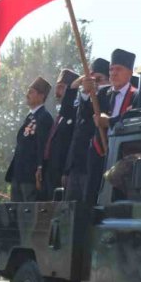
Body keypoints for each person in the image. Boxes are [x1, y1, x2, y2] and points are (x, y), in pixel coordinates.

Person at [81, 48, 141, 205]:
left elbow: (132, 119)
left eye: (118, 69)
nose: (113, 73)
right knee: (91, 197)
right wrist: (86, 93)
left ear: (129, 72)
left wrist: (109, 122)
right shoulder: (102, 94)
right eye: (111, 69)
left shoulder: (137, 96)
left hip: (121, 156)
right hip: (98, 153)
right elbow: (84, 115)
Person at [63, 58, 109, 201]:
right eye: (91, 79)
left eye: (99, 79)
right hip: (75, 164)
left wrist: (90, 93)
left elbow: (94, 113)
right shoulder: (83, 99)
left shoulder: (109, 96)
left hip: (92, 165)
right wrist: (77, 88)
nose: (94, 83)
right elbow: (66, 110)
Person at [5, 77, 54, 202]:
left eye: (31, 92)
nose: (27, 95)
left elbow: (42, 146)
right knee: (15, 213)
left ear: (41, 96)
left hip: (31, 176)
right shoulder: (30, 117)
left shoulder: (44, 117)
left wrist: (40, 169)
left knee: (28, 213)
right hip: (18, 173)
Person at [42, 69, 80, 199]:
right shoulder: (61, 115)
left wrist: (66, 171)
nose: (57, 92)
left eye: (62, 87)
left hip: (63, 172)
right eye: (57, 87)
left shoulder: (75, 113)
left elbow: (72, 144)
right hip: (50, 170)